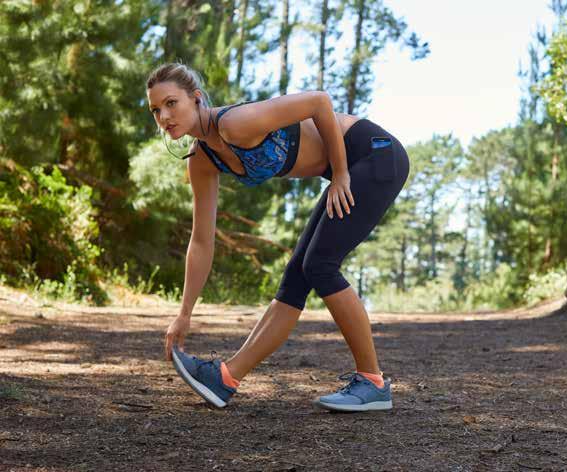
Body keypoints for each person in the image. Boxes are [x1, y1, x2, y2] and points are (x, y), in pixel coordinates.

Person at [145, 62, 409, 411]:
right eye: (155, 110)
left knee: (320, 265)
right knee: (296, 278)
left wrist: (341, 174)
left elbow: (318, 101)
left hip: (374, 154)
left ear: (195, 99)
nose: (164, 116)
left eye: (171, 103)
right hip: (349, 167)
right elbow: (202, 241)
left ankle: (373, 382)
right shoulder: (202, 160)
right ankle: (225, 378)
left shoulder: (234, 124)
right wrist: (184, 313)